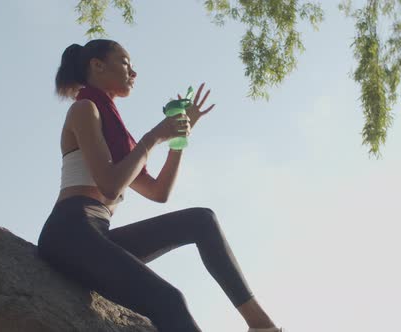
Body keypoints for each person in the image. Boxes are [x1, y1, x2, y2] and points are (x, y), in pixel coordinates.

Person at [37, 39, 283, 332]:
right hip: (70, 232)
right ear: (97, 65)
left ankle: (260, 324)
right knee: (170, 300)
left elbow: (158, 192)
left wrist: (178, 139)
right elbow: (111, 185)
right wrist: (155, 135)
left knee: (201, 220)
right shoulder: (84, 109)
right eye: (126, 63)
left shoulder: (117, 132)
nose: (134, 73)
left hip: (96, 234)